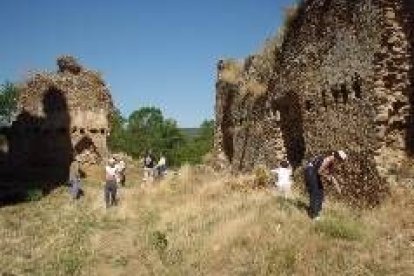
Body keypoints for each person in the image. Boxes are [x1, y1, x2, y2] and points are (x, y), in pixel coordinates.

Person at [304, 150, 347, 220]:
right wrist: (327, 177)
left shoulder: (332, 162)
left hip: (314, 172)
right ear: (338, 157)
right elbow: (320, 171)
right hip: (310, 171)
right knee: (315, 192)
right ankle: (313, 215)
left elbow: (331, 176)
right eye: (341, 160)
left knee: (320, 192)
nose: (340, 162)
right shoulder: (329, 159)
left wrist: (337, 187)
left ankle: (316, 211)